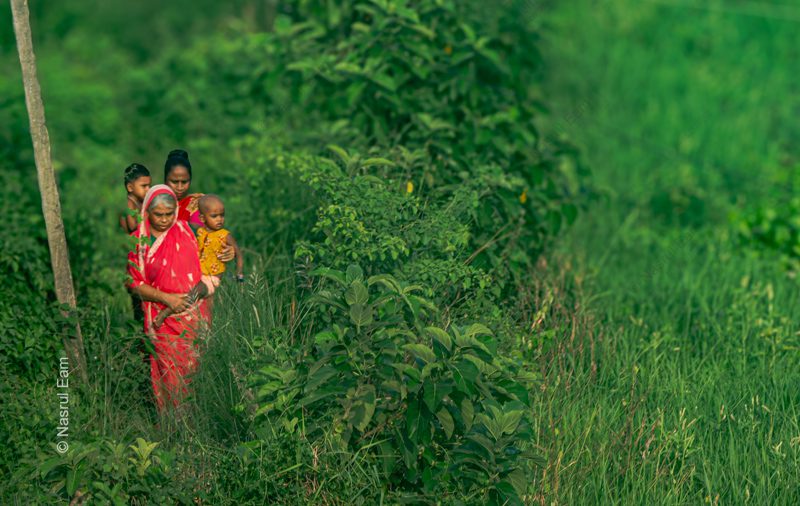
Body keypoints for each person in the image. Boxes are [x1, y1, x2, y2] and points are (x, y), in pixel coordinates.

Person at [126, 184, 216, 412]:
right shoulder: (139, 242)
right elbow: (133, 284)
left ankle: (199, 429)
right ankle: (174, 428)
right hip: (163, 321)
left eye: (169, 214)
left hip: (195, 318)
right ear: (147, 212)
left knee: (197, 372)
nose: (165, 220)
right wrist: (167, 299)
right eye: (159, 214)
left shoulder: (187, 231)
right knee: (171, 375)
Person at [197, 194, 244, 283]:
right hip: (199, 274)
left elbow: (238, 253)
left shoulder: (224, 235)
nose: (219, 219)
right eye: (214, 216)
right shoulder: (201, 231)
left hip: (216, 276)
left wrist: (239, 275)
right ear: (202, 218)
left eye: (222, 215)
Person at [119, 163, 151, 234]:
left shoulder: (139, 201)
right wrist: (147, 216)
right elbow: (132, 226)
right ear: (130, 187)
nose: (148, 189)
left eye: (149, 185)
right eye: (144, 186)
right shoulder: (129, 204)